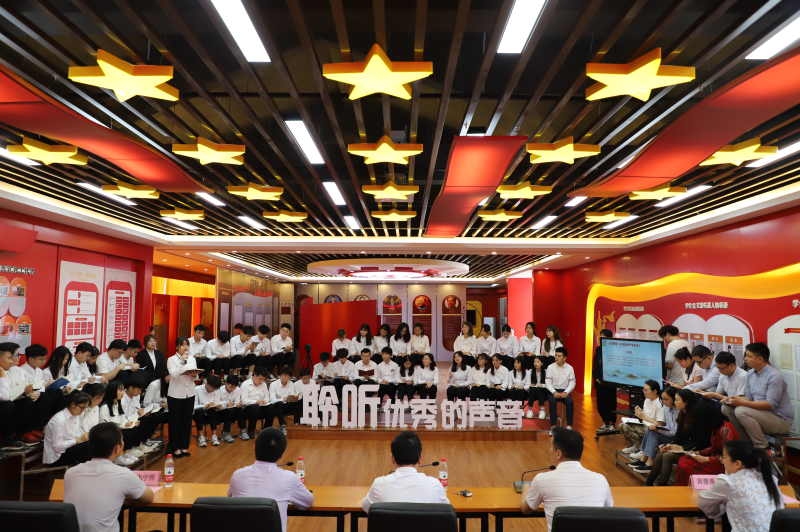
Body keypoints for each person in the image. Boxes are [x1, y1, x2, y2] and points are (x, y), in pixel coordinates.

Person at [64, 422, 154, 532]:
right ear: (117, 448)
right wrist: (124, 499)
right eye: (122, 440)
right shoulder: (124, 475)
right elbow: (149, 497)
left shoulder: (70, 473)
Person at [520, 427, 613, 530]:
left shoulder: (542, 480)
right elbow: (609, 510)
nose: (549, 450)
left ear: (558, 454)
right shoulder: (601, 480)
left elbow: (526, 509)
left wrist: (526, 490)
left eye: (551, 446)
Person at [229, 427, 314, 532]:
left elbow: (230, 498)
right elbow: (308, 502)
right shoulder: (289, 478)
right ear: (281, 455)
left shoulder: (237, 475)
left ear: (255, 448)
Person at [721, 342, 793, 454]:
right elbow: (749, 398)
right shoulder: (750, 373)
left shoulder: (774, 376)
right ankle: (746, 443)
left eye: (748, 356)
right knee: (726, 407)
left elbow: (770, 404)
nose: (745, 359)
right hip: (761, 415)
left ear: (759, 359)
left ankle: (762, 447)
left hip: (780, 420)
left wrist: (741, 403)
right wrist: (732, 398)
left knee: (741, 410)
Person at [697, 440, 784, 532]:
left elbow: (703, 502)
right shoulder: (769, 479)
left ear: (737, 463)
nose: (722, 461)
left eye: (724, 457)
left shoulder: (729, 482)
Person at [361, 431, 449, 513]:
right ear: (420, 459)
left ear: (392, 459)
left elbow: (365, 507)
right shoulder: (435, 485)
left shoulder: (378, 485)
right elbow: (446, 510)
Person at [644, 389, 717, 486]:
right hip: (686, 448)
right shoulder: (682, 414)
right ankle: (648, 484)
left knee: (667, 456)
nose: (675, 402)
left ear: (686, 402)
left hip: (697, 450)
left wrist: (683, 448)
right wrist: (669, 445)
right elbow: (678, 436)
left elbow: (702, 441)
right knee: (663, 452)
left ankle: (661, 487)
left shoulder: (698, 416)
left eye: (677, 400)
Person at [674, 405, 739, 485]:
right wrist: (697, 453)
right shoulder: (715, 427)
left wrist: (706, 459)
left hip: (726, 465)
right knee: (683, 460)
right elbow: (713, 447)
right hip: (718, 459)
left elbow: (730, 457)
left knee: (687, 464)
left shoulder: (725, 429)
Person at [6, 342, 54, 444]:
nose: (20, 357)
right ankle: (14, 435)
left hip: (20, 398)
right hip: (9, 401)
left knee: (47, 395)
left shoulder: (17, 370)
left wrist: (27, 392)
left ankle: (37, 428)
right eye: (16, 355)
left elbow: (27, 387)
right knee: (19, 403)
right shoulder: (17, 370)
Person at [629, 386, 680, 473]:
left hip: (675, 439)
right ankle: (643, 459)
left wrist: (659, 430)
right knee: (651, 429)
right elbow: (668, 426)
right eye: (663, 399)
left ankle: (649, 464)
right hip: (669, 434)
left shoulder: (679, 411)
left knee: (655, 433)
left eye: (667, 399)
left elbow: (674, 433)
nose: (664, 402)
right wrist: (657, 427)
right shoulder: (667, 409)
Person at [167, 337, 197, 458]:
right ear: (177, 347)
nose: (185, 347)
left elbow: (195, 377)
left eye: (187, 345)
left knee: (186, 421)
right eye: (183, 345)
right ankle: (175, 448)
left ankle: (184, 447)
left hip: (190, 393)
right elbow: (174, 374)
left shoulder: (192, 359)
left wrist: (194, 375)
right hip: (175, 394)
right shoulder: (171, 359)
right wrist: (182, 362)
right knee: (175, 422)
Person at [44, 390, 92, 466]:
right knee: (88, 446)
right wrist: (78, 440)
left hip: (68, 449)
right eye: (82, 408)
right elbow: (57, 447)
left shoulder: (76, 415)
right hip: (56, 457)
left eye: (84, 409)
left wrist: (83, 438)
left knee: (93, 443)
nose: (82, 411)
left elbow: (76, 435)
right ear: (73, 404)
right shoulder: (59, 419)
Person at [621, 380, 665, 456]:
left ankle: (643, 450)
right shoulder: (647, 400)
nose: (644, 392)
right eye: (643, 390)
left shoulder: (660, 404)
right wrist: (640, 411)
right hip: (644, 424)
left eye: (646, 390)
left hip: (652, 429)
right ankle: (636, 446)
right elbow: (647, 414)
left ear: (654, 391)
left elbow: (660, 424)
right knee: (622, 426)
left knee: (626, 427)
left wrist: (643, 417)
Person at [99, 381, 138, 465]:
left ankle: (126, 452)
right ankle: (117, 456)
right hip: (108, 432)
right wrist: (123, 425)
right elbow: (104, 425)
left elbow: (123, 418)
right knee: (124, 432)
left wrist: (132, 423)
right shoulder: (105, 407)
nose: (123, 393)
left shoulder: (118, 404)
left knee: (132, 429)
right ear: (113, 391)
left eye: (123, 390)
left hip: (118, 428)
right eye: (120, 390)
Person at [122, 374, 160, 456]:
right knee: (139, 423)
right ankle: (131, 448)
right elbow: (123, 418)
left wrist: (143, 412)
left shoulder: (135, 396)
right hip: (124, 422)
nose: (140, 392)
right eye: (138, 389)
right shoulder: (122, 399)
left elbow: (136, 409)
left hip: (133, 418)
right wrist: (137, 414)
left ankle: (143, 442)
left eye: (141, 390)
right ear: (130, 388)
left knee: (152, 417)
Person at [545, 347, 575, 432]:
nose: (557, 358)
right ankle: (554, 426)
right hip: (552, 391)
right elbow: (548, 382)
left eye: (559, 356)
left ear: (565, 358)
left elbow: (572, 383)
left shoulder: (570, 368)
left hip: (564, 391)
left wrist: (566, 392)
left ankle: (569, 426)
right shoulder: (550, 367)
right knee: (552, 402)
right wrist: (554, 392)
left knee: (570, 402)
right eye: (556, 355)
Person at [593, 329, 617, 432]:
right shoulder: (598, 349)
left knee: (611, 403)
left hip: (610, 382)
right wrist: (596, 377)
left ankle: (613, 424)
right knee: (601, 404)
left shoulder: (614, 350)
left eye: (603, 336)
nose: (601, 337)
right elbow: (595, 364)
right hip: (599, 382)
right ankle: (606, 423)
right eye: (600, 335)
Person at [241, 368, 270, 440]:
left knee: (272, 408)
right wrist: (256, 402)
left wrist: (265, 401)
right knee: (255, 407)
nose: (261, 381)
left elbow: (267, 397)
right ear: (254, 376)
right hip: (248, 408)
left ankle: (267, 430)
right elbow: (244, 401)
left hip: (261, 406)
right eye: (260, 379)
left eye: (263, 379)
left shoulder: (264, 384)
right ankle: (251, 430)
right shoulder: (245, 385)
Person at [193, 374, 223, 447]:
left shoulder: (217, 390)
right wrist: (205, 406)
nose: (213, 390)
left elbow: (216, 402)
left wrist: (217, 406)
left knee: (212, 411)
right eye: (212, 387)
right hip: (198, 414)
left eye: (215, 388)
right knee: (199, 411)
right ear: (207, 384)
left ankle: (214, 436)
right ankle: (201, 436)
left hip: (210, 414)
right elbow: (193, 406)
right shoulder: (197, 389)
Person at [268, 366, 299, 434]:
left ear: (289, 377)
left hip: (286, 405)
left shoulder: (291, 384)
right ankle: (283, 425)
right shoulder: (273, 384)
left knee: (297, 402)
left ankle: (296, 423)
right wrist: (283, 399)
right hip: (276, 407)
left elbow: (292, 396)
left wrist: (295, 398)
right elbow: (272, 399)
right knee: (279, 403)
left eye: (285, 375)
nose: (283, 377)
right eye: (282, 375)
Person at [219, 374, 245, 443]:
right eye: (231, 387)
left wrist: (238, 404)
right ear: (226, 383)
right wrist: (226, 405)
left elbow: (237, 401)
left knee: (240, 409)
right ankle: (225, 433)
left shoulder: (237, 389)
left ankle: (243, 430)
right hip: (221, 413)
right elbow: (217, 405)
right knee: (230, 410)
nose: (233, 389)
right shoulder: (219, 390)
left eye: (234, 387)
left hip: (232, 411)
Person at [527, 356, 548, 420]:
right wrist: (530, 384)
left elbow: (549, 383)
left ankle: (542, 410)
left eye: (537, 362)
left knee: (539, 389)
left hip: (543, 391)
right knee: (532, 389)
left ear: (542, 363)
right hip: (533, 390)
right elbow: (527, 382)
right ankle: (530, 410)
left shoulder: (546, 371)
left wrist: (543, 385)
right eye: (534, 362)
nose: (536, 363)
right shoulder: (530, 371)